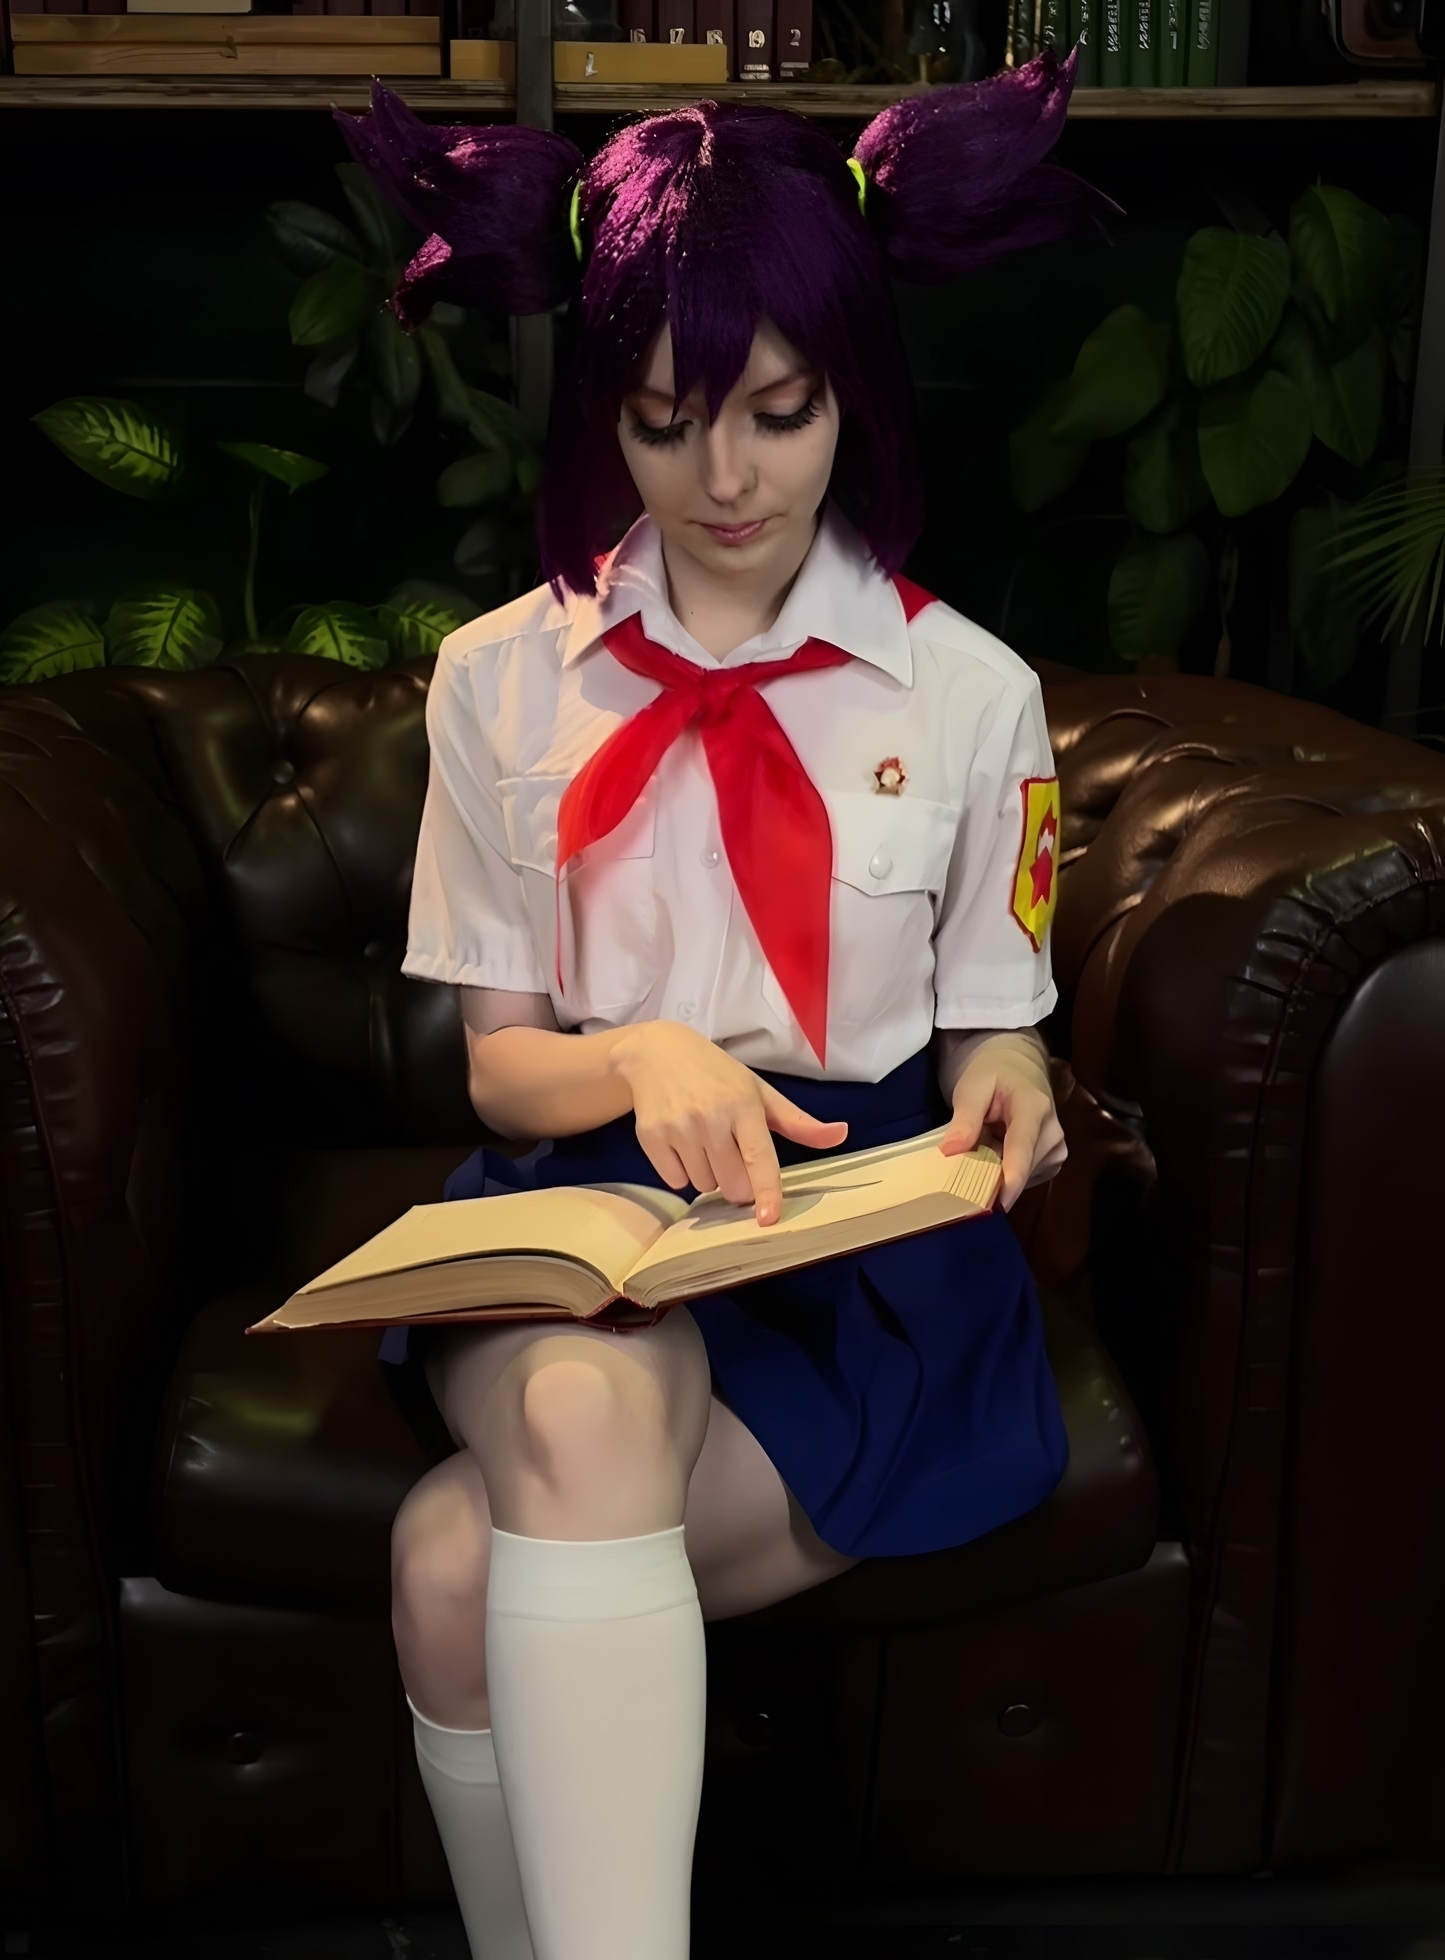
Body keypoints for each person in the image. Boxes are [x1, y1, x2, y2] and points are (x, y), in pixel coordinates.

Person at [339, 57, 1109, 1960]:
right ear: (607, 411)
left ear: (853, 389)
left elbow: (991, 1015)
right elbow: (502, 1068)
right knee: (582, 1401)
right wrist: (639, 1055)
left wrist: (1014, 1077)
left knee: (448, 1569)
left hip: (852, 1238)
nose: (729, 482)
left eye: (781, 412)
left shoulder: (972, 693)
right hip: (584, 1203)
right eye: (668, 425)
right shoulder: (498, 678)